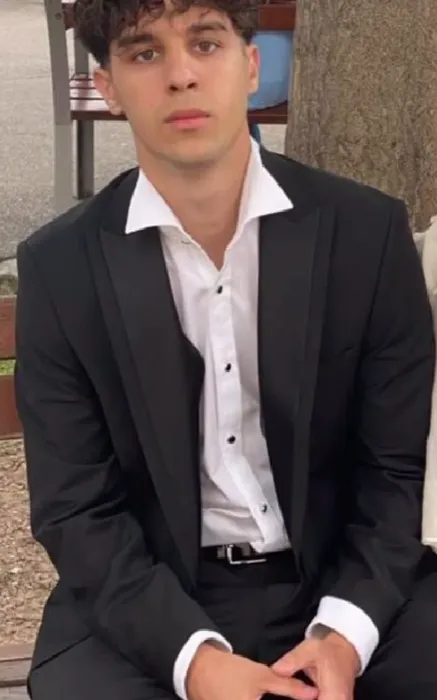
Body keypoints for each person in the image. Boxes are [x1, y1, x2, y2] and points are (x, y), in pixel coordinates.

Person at [14, 0, 437, 699]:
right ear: (109, 87)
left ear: (251, 66)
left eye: (205, 43)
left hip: (348, 578)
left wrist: (344, 632)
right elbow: (75, 508)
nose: (180, 74)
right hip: (154, 595)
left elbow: (395, 470)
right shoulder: (61, 269)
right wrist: (196, 662)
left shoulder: (366, 233)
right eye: (145, 52)